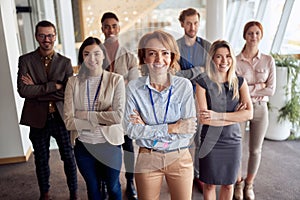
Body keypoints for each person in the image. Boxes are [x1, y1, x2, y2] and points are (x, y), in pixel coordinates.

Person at [124, 30, 197, 200]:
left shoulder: (184, 86)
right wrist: (173, 127)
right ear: (144, 57)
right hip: (147, 157)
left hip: (179, 156)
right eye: (152, 53)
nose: (159, 59)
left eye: (165, 53)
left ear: (172, 57)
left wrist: (148, 128)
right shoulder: (133, 88)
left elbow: (188, 130)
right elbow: (131, 130)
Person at [17, 20, 78, 200]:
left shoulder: (66, 63)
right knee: (41, 160)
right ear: (37, 37)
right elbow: (23, 91)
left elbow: (68, 93)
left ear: (55, 36)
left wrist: (38, 89)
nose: (47, 39)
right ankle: (45, 193)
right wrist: (54, 86)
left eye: (50, 35)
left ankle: (74, 193)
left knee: (69, 158)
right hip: (37, 119)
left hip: (60, 117)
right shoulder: (26, 60)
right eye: (42, 35)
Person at [64, 36, 125, 200]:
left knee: (113, 187)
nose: (92, 58)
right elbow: (69, 121)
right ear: (82, 57)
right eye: (87, 54)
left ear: (103, 55)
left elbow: (118, 116)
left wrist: (85, 115)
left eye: (97, 53)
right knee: (93, 189)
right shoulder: (72, 82)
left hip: (109, 144)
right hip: (84, 147)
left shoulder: (116, 80)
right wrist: (104, 117)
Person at [194, 40, 253, 200]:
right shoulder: (202, 82)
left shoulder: (240, 82)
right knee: (210, 184)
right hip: (210, 141)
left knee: (229, 184)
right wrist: (234, 116)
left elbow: (248, 114)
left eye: (228, 56)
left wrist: (217, 115)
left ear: (233, 58)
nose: (224, 61)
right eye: (219, 57)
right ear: (212, 59)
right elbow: (204, 119)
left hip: (232, 141)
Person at [234, 21, 276, 200]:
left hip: (260, 108)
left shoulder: (268, 60)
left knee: (255, 150)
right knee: (237, 148)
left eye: (257, 33)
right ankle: (238, 183)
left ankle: (249, 185)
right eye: (250, 33)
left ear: (261, 35)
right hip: (242, 107)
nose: (254, 37)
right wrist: (259, 86)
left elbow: (271, 89)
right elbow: (234, 89)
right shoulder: (235, 61)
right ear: (244, 35)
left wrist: (248, 88)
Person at [101, 12, 139, 200]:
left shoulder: (129, 56)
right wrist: (120, 82)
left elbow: (134, 83)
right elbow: (91, 82)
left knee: (128, 149)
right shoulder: (95, 53)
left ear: (119, 28)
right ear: (102, 29)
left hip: (123, 111)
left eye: (114, 26)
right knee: (105, 148)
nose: (111, 30)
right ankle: (106, 184)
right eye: (107, 26)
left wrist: (114, 83)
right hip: (102, 110)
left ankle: (130, 181)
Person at [176, 7, 211, 192]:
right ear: (182, 24)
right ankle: (181, 173)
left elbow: (211, 74)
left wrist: (187, 74)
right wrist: (198, 70)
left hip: (201, 99)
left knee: (199, 139)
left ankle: (197, 175)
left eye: (196, 23)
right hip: (179, 100)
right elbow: (174, 74)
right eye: (189, 23)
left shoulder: (207, 46)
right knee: (181, 138)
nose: (192, 26)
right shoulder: (174, 46)